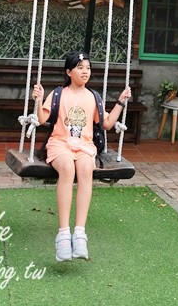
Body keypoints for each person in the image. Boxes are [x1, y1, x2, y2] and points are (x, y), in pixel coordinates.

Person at [32, 51, 131, 262]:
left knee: (86, 169)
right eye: (79, 67)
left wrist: (121, 102)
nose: (85, 71)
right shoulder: (58, 94)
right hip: (60, 144)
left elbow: (106, 124)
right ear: (69, 72)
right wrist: (39, 100)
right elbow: (42, 119)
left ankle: (79, 232)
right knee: (67, 168)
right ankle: (63, 233)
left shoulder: (93, 97)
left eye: (87, 67)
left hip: (85, 146)